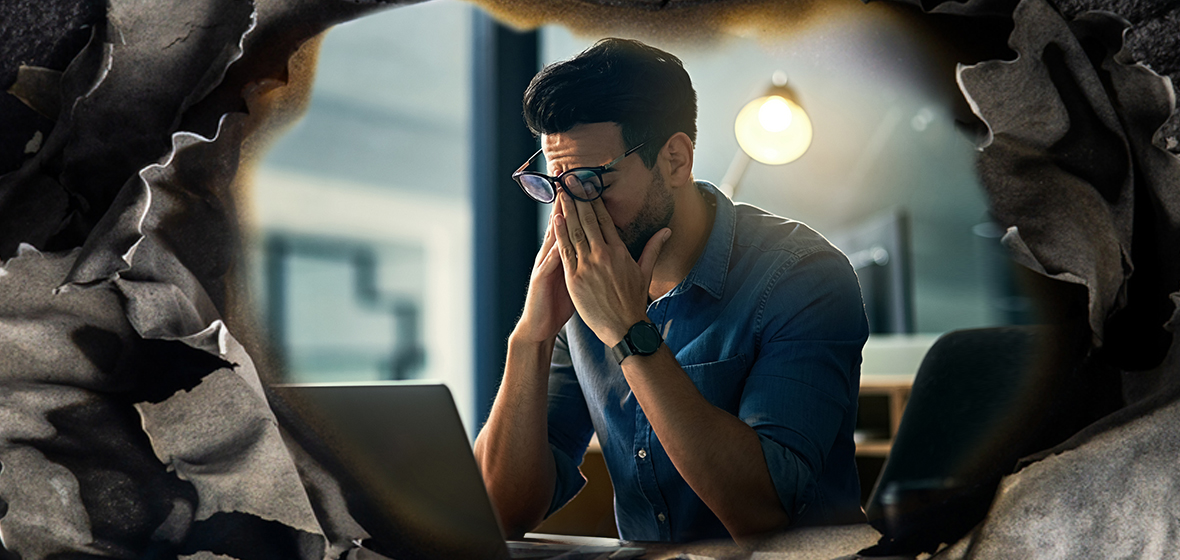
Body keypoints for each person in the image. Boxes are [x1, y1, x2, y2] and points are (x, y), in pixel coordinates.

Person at [473, 38, 869, 543]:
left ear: (676, 160)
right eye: (555, 186)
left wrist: (627, 331)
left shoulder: (803, 276)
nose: (569, 215)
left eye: (591, 183)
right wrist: (531, 335)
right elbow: (501, 512)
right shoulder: (581, 295)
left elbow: (767, 515)